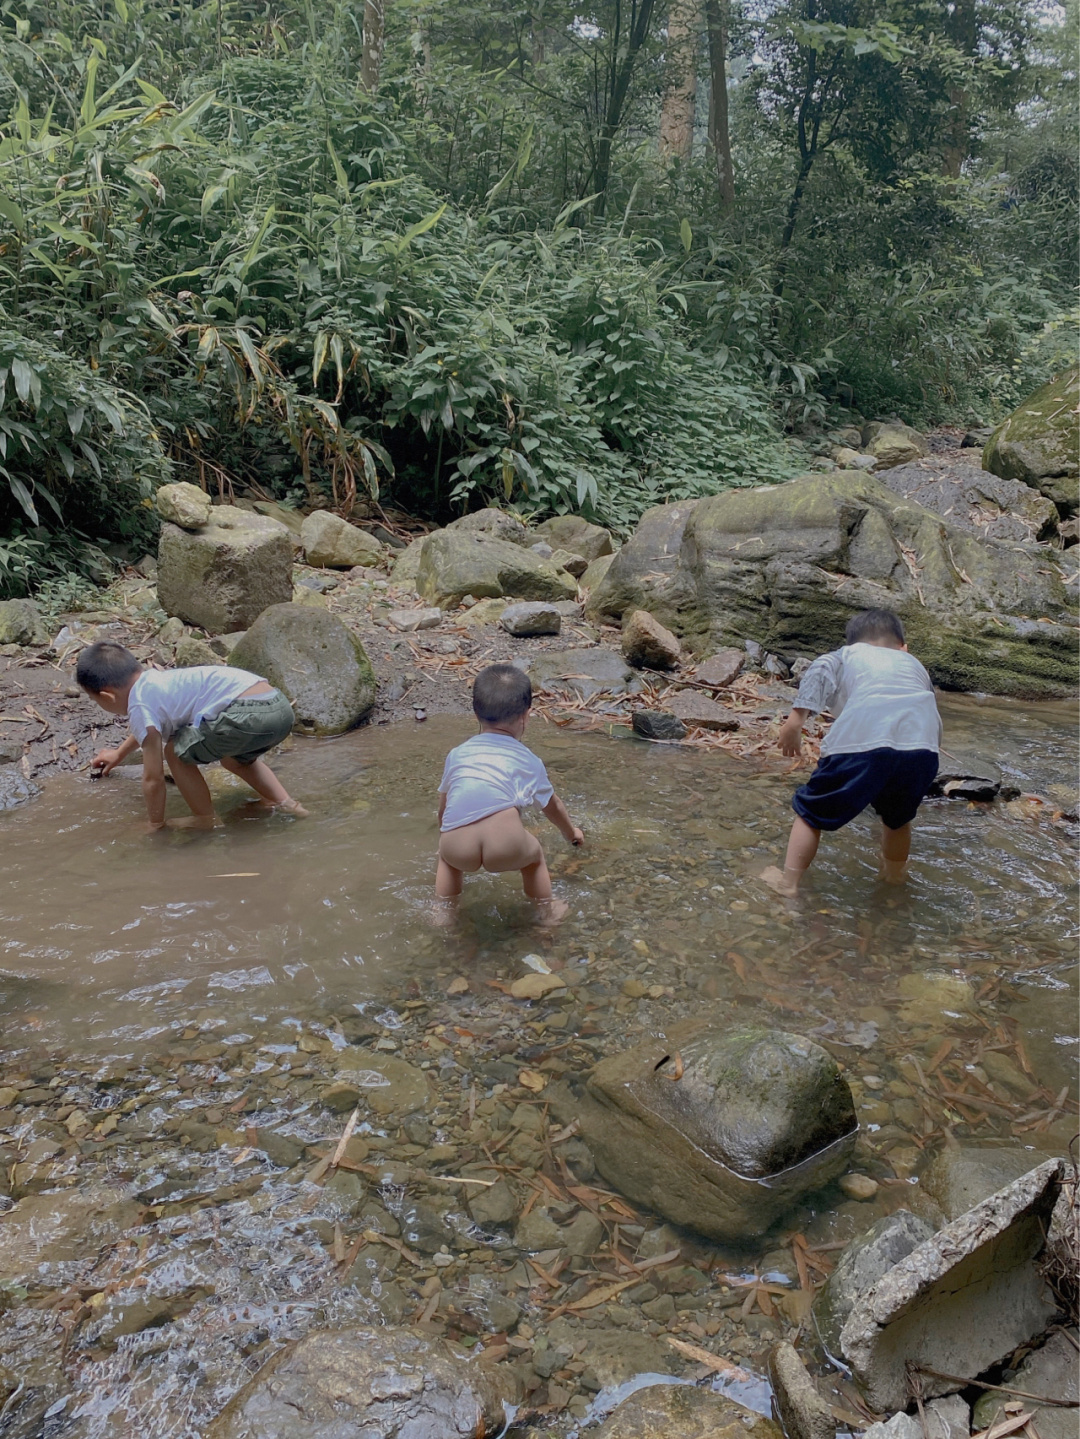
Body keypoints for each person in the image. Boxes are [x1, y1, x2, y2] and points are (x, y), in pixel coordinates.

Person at [760, 608, 941, 896]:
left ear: (852, 643)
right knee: (897, 819)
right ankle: (894, 879)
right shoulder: (914, 664)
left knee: (810, 812)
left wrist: (795, 722)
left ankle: (788, 884)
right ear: (903, 647)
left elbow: (819, 671)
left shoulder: (846, 655)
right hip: (922, 748)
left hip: (862, 742)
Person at [77, 641, 305, 830]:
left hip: (247, 713)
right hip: (278, 708)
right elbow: (148, 731)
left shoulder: (139, 705)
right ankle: (286, 803)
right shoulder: (156, 682)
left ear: (107, 697)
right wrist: (119, 754)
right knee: (235, 761)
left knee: (175, 752)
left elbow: (153, 778)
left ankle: (206, 819)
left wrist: (155, 823)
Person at [436, 664, 583, 921]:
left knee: (447, 858)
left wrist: (446, 835)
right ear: (526, 716)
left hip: (458, 844)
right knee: (534, 857)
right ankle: (546, 912)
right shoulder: (528, 760)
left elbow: (445, 806)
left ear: (475, 713)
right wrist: (571, 833)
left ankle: (443, 915)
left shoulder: (457, 754)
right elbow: (552, 806)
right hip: (505, 845)